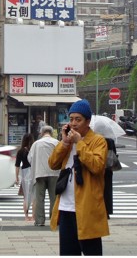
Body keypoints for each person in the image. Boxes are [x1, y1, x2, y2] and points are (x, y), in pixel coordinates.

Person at [48, 99, 109, 256]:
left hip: (87, 207)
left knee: (91, 251)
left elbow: (96, 166)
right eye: (71, 119)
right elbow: (53, 163)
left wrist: (80, 143)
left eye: (78, 119)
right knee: (68, 252)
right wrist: (64, 143)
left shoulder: (98, 141)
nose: (73, 124)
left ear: (88, 121)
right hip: (65, 207)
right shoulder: (68, 142)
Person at [28, 124, 60, 227]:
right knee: (54, 198)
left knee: (39, 198)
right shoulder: (56, 143)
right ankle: (54, 219)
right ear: (51, 133)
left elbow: (30, 158)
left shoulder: (36, 144)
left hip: (39, 173)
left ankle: (39, 221)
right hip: (54, 173)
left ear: (42, 133)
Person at [15, 133, 34, 221]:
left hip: (25, 174)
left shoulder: (21, 151)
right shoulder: (34, 149)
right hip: (34, 173)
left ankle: (26, 217)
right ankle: (34, 216)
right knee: (34, 197)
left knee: (26, 197)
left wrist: (17, 177)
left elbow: (17, 165)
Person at [103, 138, 117, 219]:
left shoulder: (95, 140)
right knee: (107, 190)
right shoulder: (110, 141)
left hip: (98, 169)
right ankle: (107, 211)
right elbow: (114, 154)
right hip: (108, 169)